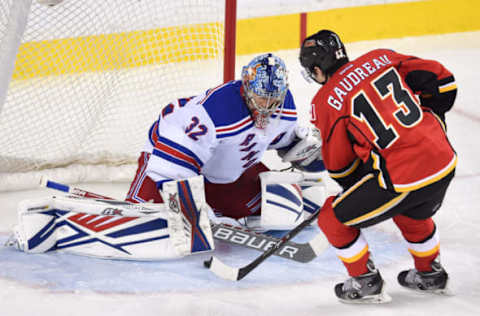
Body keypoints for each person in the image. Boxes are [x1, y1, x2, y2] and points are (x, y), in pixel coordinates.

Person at [299, 30, 457, 303]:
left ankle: (365, 282)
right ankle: (430, 274)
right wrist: (430, 124)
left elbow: (340, 167)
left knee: (331, 218)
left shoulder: (326, 101)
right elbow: (443, 81)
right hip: (444, 160)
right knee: (410, 210)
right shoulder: (381, 57)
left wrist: (362, 180)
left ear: (316, 68)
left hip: (406, 176)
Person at [126, 53, 324, 223]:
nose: (268, 105)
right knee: (140, 222)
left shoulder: (284, 105)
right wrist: (192, 208)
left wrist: (303, 148)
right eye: (262, 96)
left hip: (226, 174)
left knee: (279, 210)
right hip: (165, 157)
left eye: (274, 97)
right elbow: (171, 166)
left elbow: (278, 137)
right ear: (246, 86)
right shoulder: (216, 111)